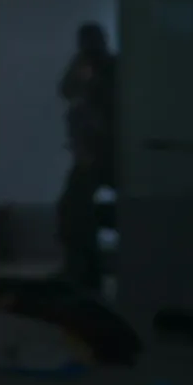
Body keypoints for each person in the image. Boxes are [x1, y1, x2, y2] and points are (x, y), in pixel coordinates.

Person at [56, 22, 117, 291]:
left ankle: (83, 270)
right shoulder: (85, 67)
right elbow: (67, 90)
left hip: (111, 155)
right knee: (71, 210)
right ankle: (80, 270)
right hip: (93, 156)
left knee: (75, 209)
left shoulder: (114, 69)